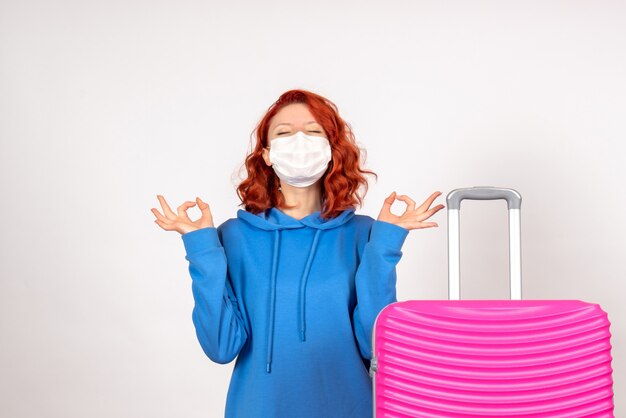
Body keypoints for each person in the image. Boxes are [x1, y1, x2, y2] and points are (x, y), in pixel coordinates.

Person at [151, 89, 444, 418]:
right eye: (284, 132)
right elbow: (221, 347)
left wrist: (385, 246)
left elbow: (373, 345)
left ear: (332, 149)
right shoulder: (233, 237)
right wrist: (202, 247)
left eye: (313, 131)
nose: (299, 141)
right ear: (266, 153)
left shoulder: (364, 234)